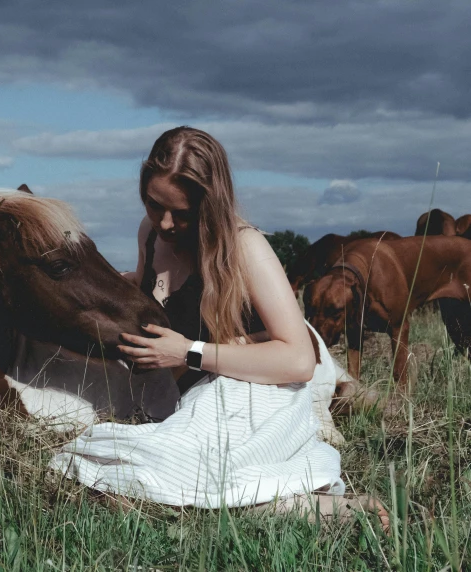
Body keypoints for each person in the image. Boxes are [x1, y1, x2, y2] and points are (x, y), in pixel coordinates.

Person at [50, 126, 388, 528]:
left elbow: (300, 359)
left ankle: (336, 511)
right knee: (86, 459)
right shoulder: (150, 234)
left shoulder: (246, 248)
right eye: (154, 204)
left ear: (211, 205)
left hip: (254, 389)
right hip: (190, 393)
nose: (166, 223)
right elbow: (142, 289)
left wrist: (187, 352)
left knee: (182, 474)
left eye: (183, 214)